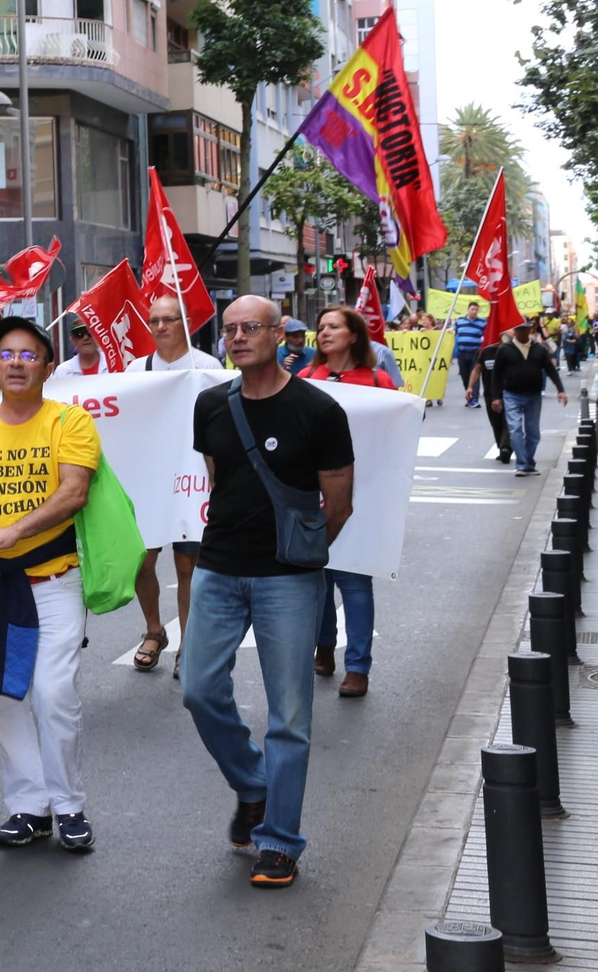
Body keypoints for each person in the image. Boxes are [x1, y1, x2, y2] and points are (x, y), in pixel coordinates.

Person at [183, 295, 355, 889]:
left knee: (289, 717)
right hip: (217, 568)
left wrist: (300, 550)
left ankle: (279, 839)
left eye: (249, 327)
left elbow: (339, 504)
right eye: (228, 329)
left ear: (280, 334)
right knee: (199, 691)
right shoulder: (210, 405)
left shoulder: (319, 410)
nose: (236, 337)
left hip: (289, 580)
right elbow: (218, 478)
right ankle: (253, 784)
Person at [0, 316, 100, 854]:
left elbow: (73, 492)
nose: (15, 362)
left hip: (55, 580)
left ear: (48, 366)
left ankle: (69, 806)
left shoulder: (70, 421)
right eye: (6, 353)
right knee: (4, 699)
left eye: (28, 355)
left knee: (54, 694)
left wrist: (12, 531)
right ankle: (28, 807)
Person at [299, 307, 396, 699]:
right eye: (320, 327)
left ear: (354, 334)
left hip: (362, 496)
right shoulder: (305, 379)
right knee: (316, 581)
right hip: (312, 497)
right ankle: (324, 648)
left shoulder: (377, 380)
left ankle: (358, 667)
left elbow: (396, 436)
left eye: (333, 326)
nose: (324, 333)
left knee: (355, 582)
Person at [129, 296, 223, 679]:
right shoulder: (137, 369)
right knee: (140, 561)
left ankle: (189, 645)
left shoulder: (208, 366)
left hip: (193, 480)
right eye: (154, 320)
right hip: (149, 481)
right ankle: (154, 629)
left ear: (186, 323)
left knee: (189, 564)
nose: (161, 326)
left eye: (169, 319)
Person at [492, 321, 568, 476]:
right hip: (511, 395)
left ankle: (528, 462)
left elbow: (550, 370)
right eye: (519, 329)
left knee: (533, 433)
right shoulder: (504, 350)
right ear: (514, 330)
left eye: (525, 329)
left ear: (531, 330)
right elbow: (496, 375)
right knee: (515, 430)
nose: (522, 333)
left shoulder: (539, 349)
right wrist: (495, 397)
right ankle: (522, 464)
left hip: (533, 396)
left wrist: (560, 390)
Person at [452, 302, 486, 408]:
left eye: (476, 310)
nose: (474, 311)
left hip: (475, 352)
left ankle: (474, 399)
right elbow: (453, 331)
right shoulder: (460, 321)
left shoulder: (482, 323)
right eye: (472, 309)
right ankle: (469, 395)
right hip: (462, 353)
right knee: (464, 375)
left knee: (474, 375)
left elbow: (486, 335)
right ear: (468, 310)